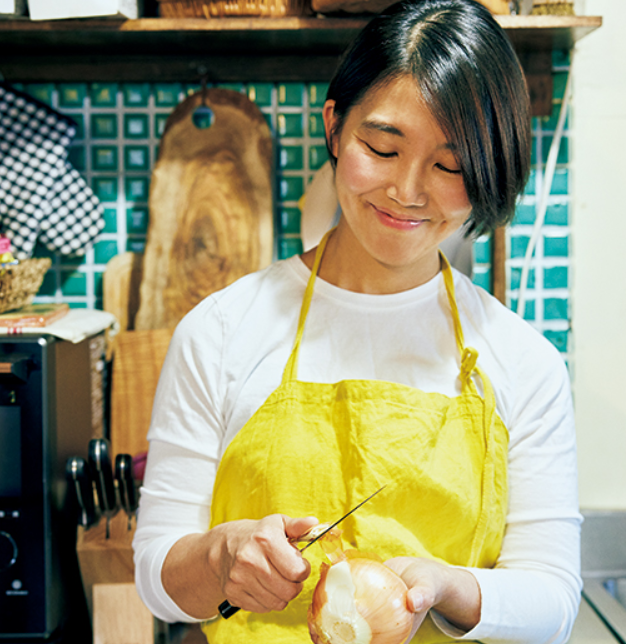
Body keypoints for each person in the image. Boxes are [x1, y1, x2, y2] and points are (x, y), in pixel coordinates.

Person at [132, 0, 582, 642]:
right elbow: (157, 574)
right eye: (381, 146)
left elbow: (554, 598)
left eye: (450, 165)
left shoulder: (523, 360)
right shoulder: (221, 332)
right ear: (335, 129)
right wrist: (220, 559)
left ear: (489, 171)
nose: (408, 190)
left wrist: (450, 588)